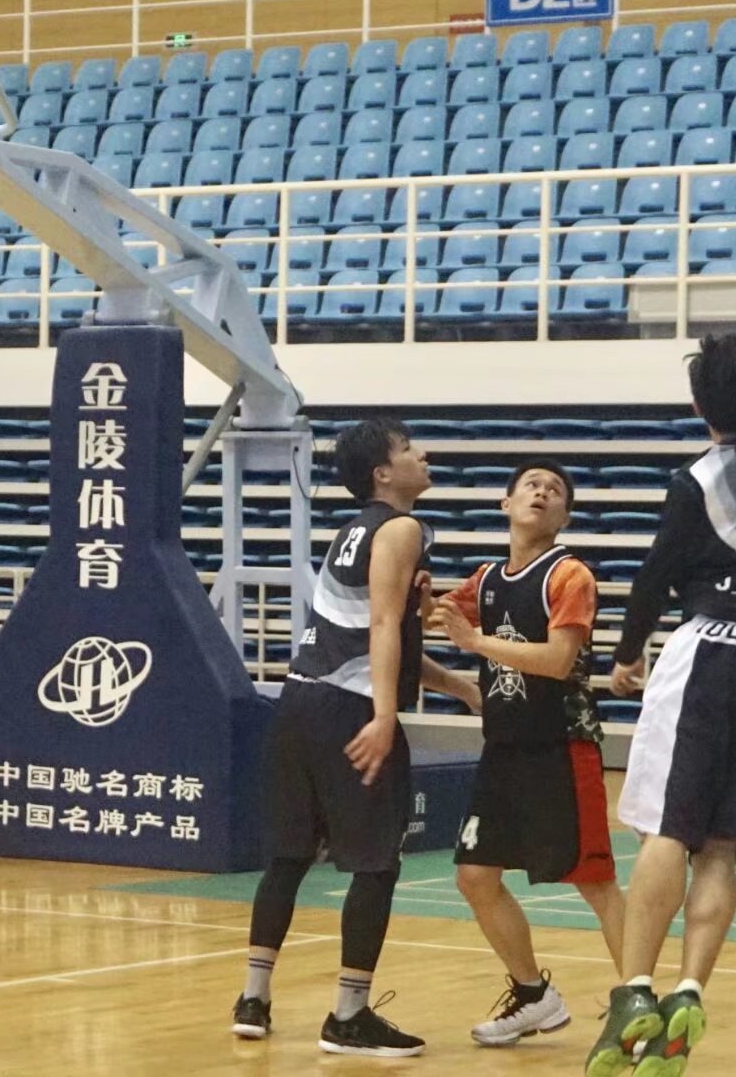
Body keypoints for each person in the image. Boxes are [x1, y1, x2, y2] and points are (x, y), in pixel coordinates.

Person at [586, 176, 736, 1077]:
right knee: (722, 848)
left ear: (700, 412)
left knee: (668, 832)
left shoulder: (695, 483)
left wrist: (624, 654)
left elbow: (653, 579)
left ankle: (635, 992)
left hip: (713, 652)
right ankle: (692, 989)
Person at [231, 416, 480, 1058]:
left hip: (298, 701)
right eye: (409, 449)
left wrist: (460, 688)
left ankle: (253, 998)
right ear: (383, 473)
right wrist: (385, 716)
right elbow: (383, 630)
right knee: (377, 863)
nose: (423, 454)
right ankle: (348, 1014)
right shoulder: (402, 529)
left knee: (289, 855)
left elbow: (371, 633)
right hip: (349, 708)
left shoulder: (352, 531)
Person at [426, 459, 624, 1047]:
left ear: (565, 516)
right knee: (475, 876)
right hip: (505, 748)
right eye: (531, 485)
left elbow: (558, 661)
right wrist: (407, 582)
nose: (542, 492)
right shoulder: (486, 578)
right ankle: (534, 995)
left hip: (561, 746)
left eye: (555, 490)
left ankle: (641, 1000)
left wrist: (474, 642)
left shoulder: (569, 575)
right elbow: (434, 615)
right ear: (506, 504)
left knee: (595, 882)